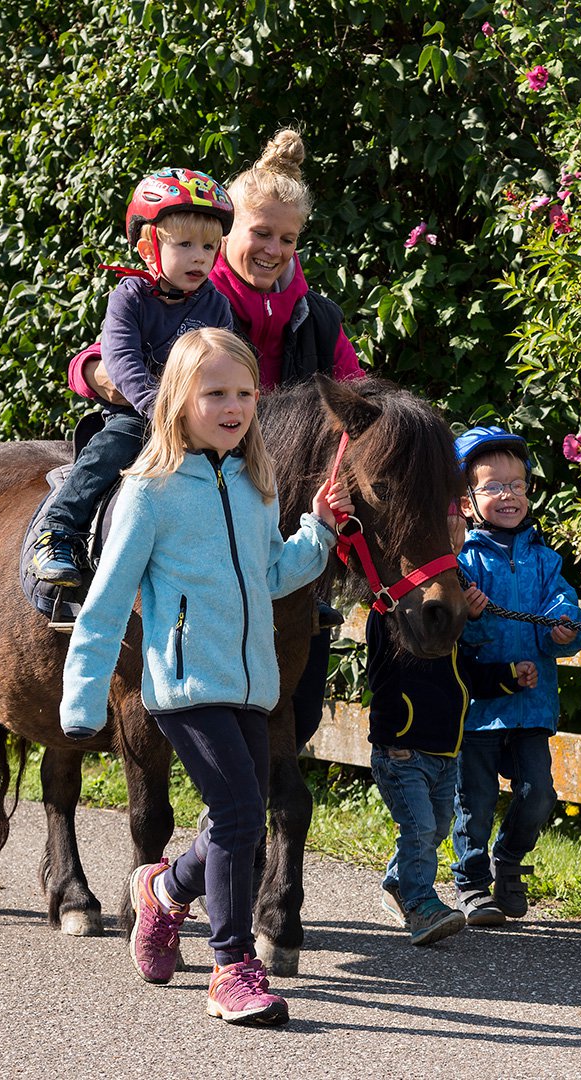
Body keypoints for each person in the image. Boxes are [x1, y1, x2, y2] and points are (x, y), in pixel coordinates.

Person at [58, 327, 352, 1027]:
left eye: (245, 392)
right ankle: (230, 968)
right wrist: (82, 695)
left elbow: (272, 575)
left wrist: (317, 532)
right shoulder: (149, 492)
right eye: (215, 391)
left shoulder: (258, 485)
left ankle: (163, 892)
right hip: (184, 685)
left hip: (251, 684)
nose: (234, 405)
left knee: (240, 828)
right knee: (243, 816)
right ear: (177, 401)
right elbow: (104, 600)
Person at [70, 129, 365, 746]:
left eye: (288, 239)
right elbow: (106, 357)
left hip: (269, 490)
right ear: (226, 232)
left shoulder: (317, 316)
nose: (273, 249)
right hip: (181, 459)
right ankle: (74, 562)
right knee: (120, 477)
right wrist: (98, 374)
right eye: (260, 233)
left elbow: (355, 392)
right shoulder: (191, 287)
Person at [28, 167, 237, 589]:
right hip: (143, 412)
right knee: (114, 446)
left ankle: (274, 558)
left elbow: (227, 359)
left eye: (210, 247)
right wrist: (154, 403)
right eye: (186, 244)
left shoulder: (216, 305)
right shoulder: (129, 298)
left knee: (264, 461)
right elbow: (120, 359)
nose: (200, 256)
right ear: (147, 248)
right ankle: (59, 529)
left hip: (201, 417)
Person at [367, 511, 537, 947]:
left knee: (438, 828)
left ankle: (396, 880)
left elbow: (469, 676)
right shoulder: (394, 612)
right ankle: (420, 904)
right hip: (402, 749)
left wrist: (506, 676)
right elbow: (386, 647)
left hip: (446, 751)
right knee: (421, 830)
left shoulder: (450, 621)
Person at [448, 425, 581, 926]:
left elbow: (564, 608)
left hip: (531, 707)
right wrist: (471, 616)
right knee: (476, 801)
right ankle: (471, 882)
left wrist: (563, 629)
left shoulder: (545, 560)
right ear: (465, 502)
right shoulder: (460, 564)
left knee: (538, 795)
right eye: (493, 486)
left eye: (518, 484)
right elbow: (449, 636)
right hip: (480, 711)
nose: (509, 495)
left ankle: (508, 863)